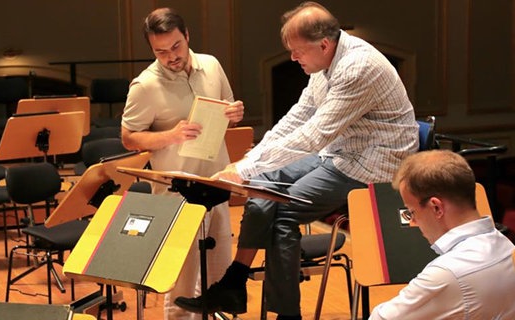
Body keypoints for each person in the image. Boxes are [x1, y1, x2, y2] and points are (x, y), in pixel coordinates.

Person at [175, 2, 418, 319]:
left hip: (375, 163)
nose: (292, 57)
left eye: (296, 51)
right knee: (262, 185)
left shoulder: (358, 67)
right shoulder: (324, 64)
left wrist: (243, 168)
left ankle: (286, 314)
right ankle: (233, 285)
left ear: (324, 44)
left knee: (284, 215)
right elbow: (296, 120)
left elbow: (314, 136)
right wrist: (248, 165)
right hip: (338, 152)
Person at [120, 7, 244, 320]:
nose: (171, 56)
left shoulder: (212, 65)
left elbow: (227, 111)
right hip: (177, 192)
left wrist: (235, 114)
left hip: (216, 181)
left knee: (219, 277)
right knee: (184, 285)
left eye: (176, 46)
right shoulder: (144, 85)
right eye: (161, 51)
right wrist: (170, 135)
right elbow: (129, 138)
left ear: (187, 36)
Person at [369, 149, 515, 319]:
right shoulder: (505, 245)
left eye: (411, 212)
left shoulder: (446, 273)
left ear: (436, 207)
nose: (412, 222)